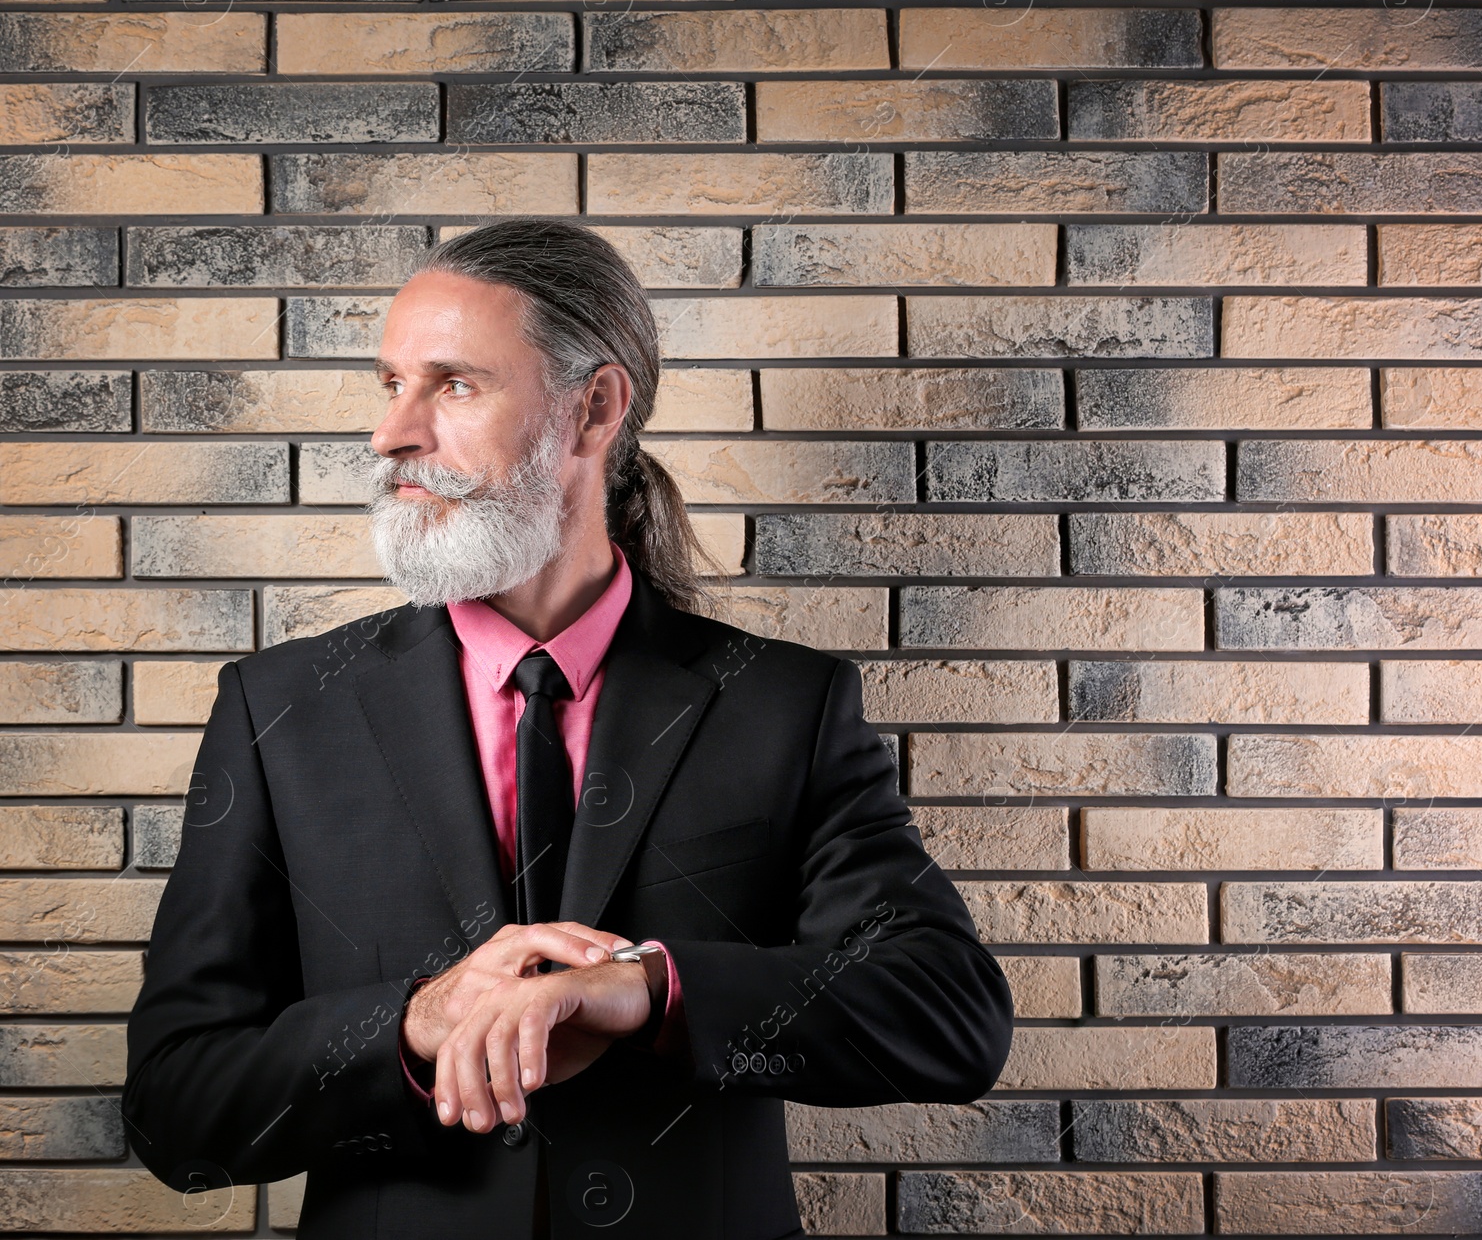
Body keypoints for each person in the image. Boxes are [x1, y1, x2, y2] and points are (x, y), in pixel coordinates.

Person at [122, 219, 1014, 1239]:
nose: (391, 434)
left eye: (453, 385)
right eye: (391, 383)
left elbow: (950, 1014)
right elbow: (174, 1104)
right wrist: (417, 1025)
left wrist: (648, 989)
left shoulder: (781, 706)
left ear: (592, 409)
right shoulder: (281, 708)